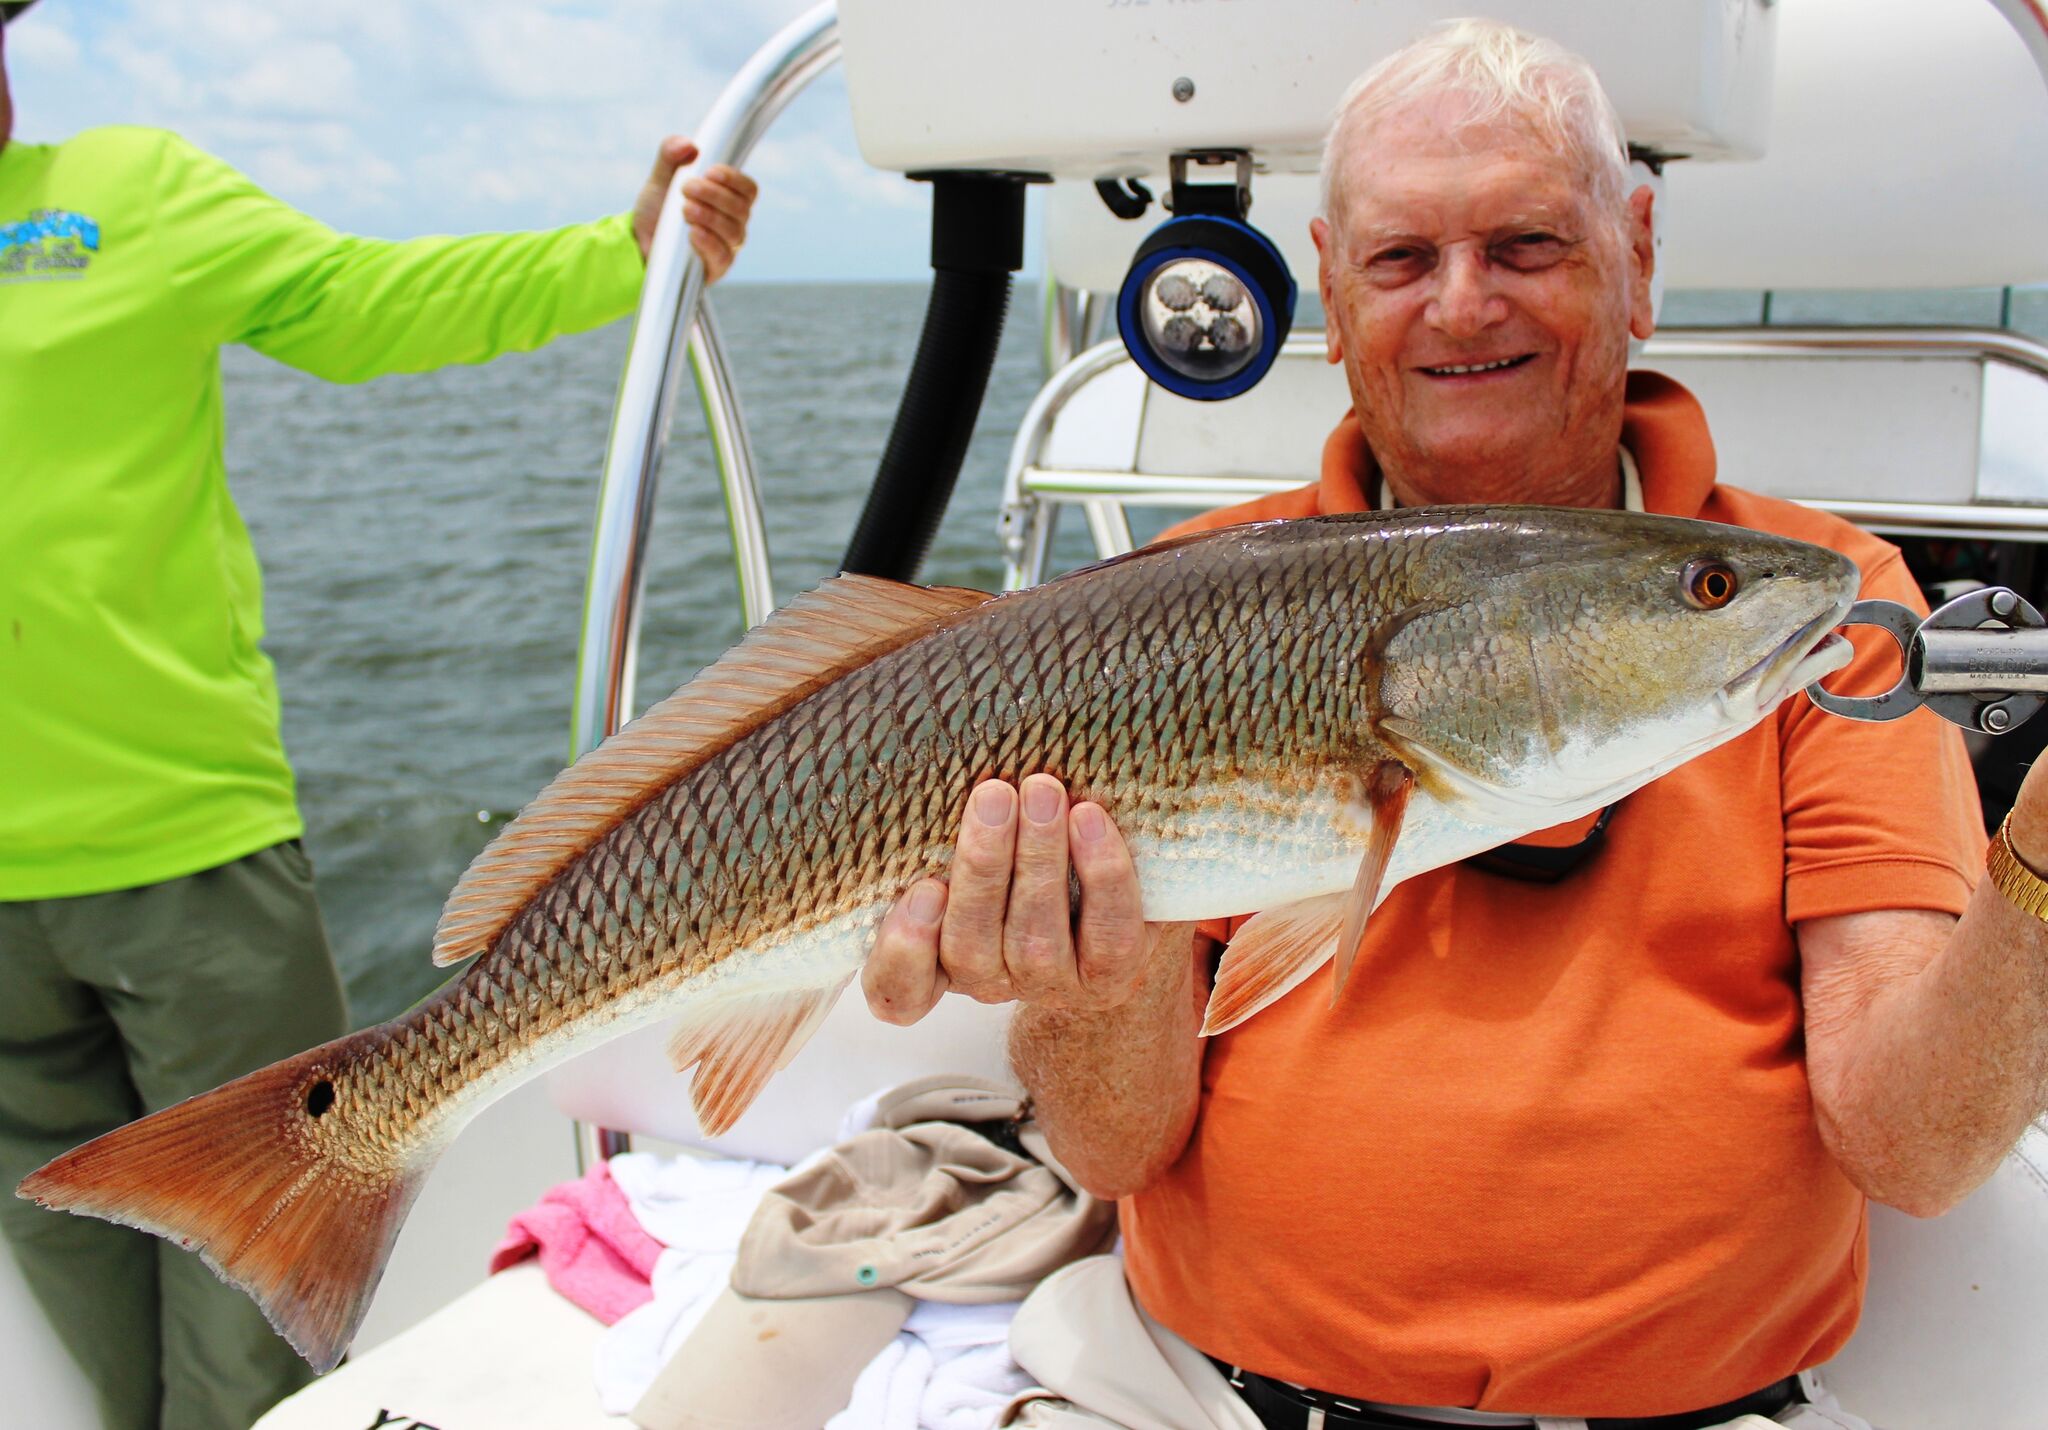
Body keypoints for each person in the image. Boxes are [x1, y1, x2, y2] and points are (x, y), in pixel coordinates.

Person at [862, 20, 2043, 1430]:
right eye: (1403, 259)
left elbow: (1915, 1147)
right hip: (1204, 1399)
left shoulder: (1822, 616)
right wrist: (1082, 974)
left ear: (1640, 257)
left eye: (1527, 245)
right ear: (1336, 293)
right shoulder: (1180, 617)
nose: (1462, 305)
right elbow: (1119, 1148)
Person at [0, 6, 759, 1427]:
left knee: (254, 1308)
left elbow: (363, 302)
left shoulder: (130, 189)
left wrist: (620, 252)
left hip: (188, 856)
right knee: (68, 1278)